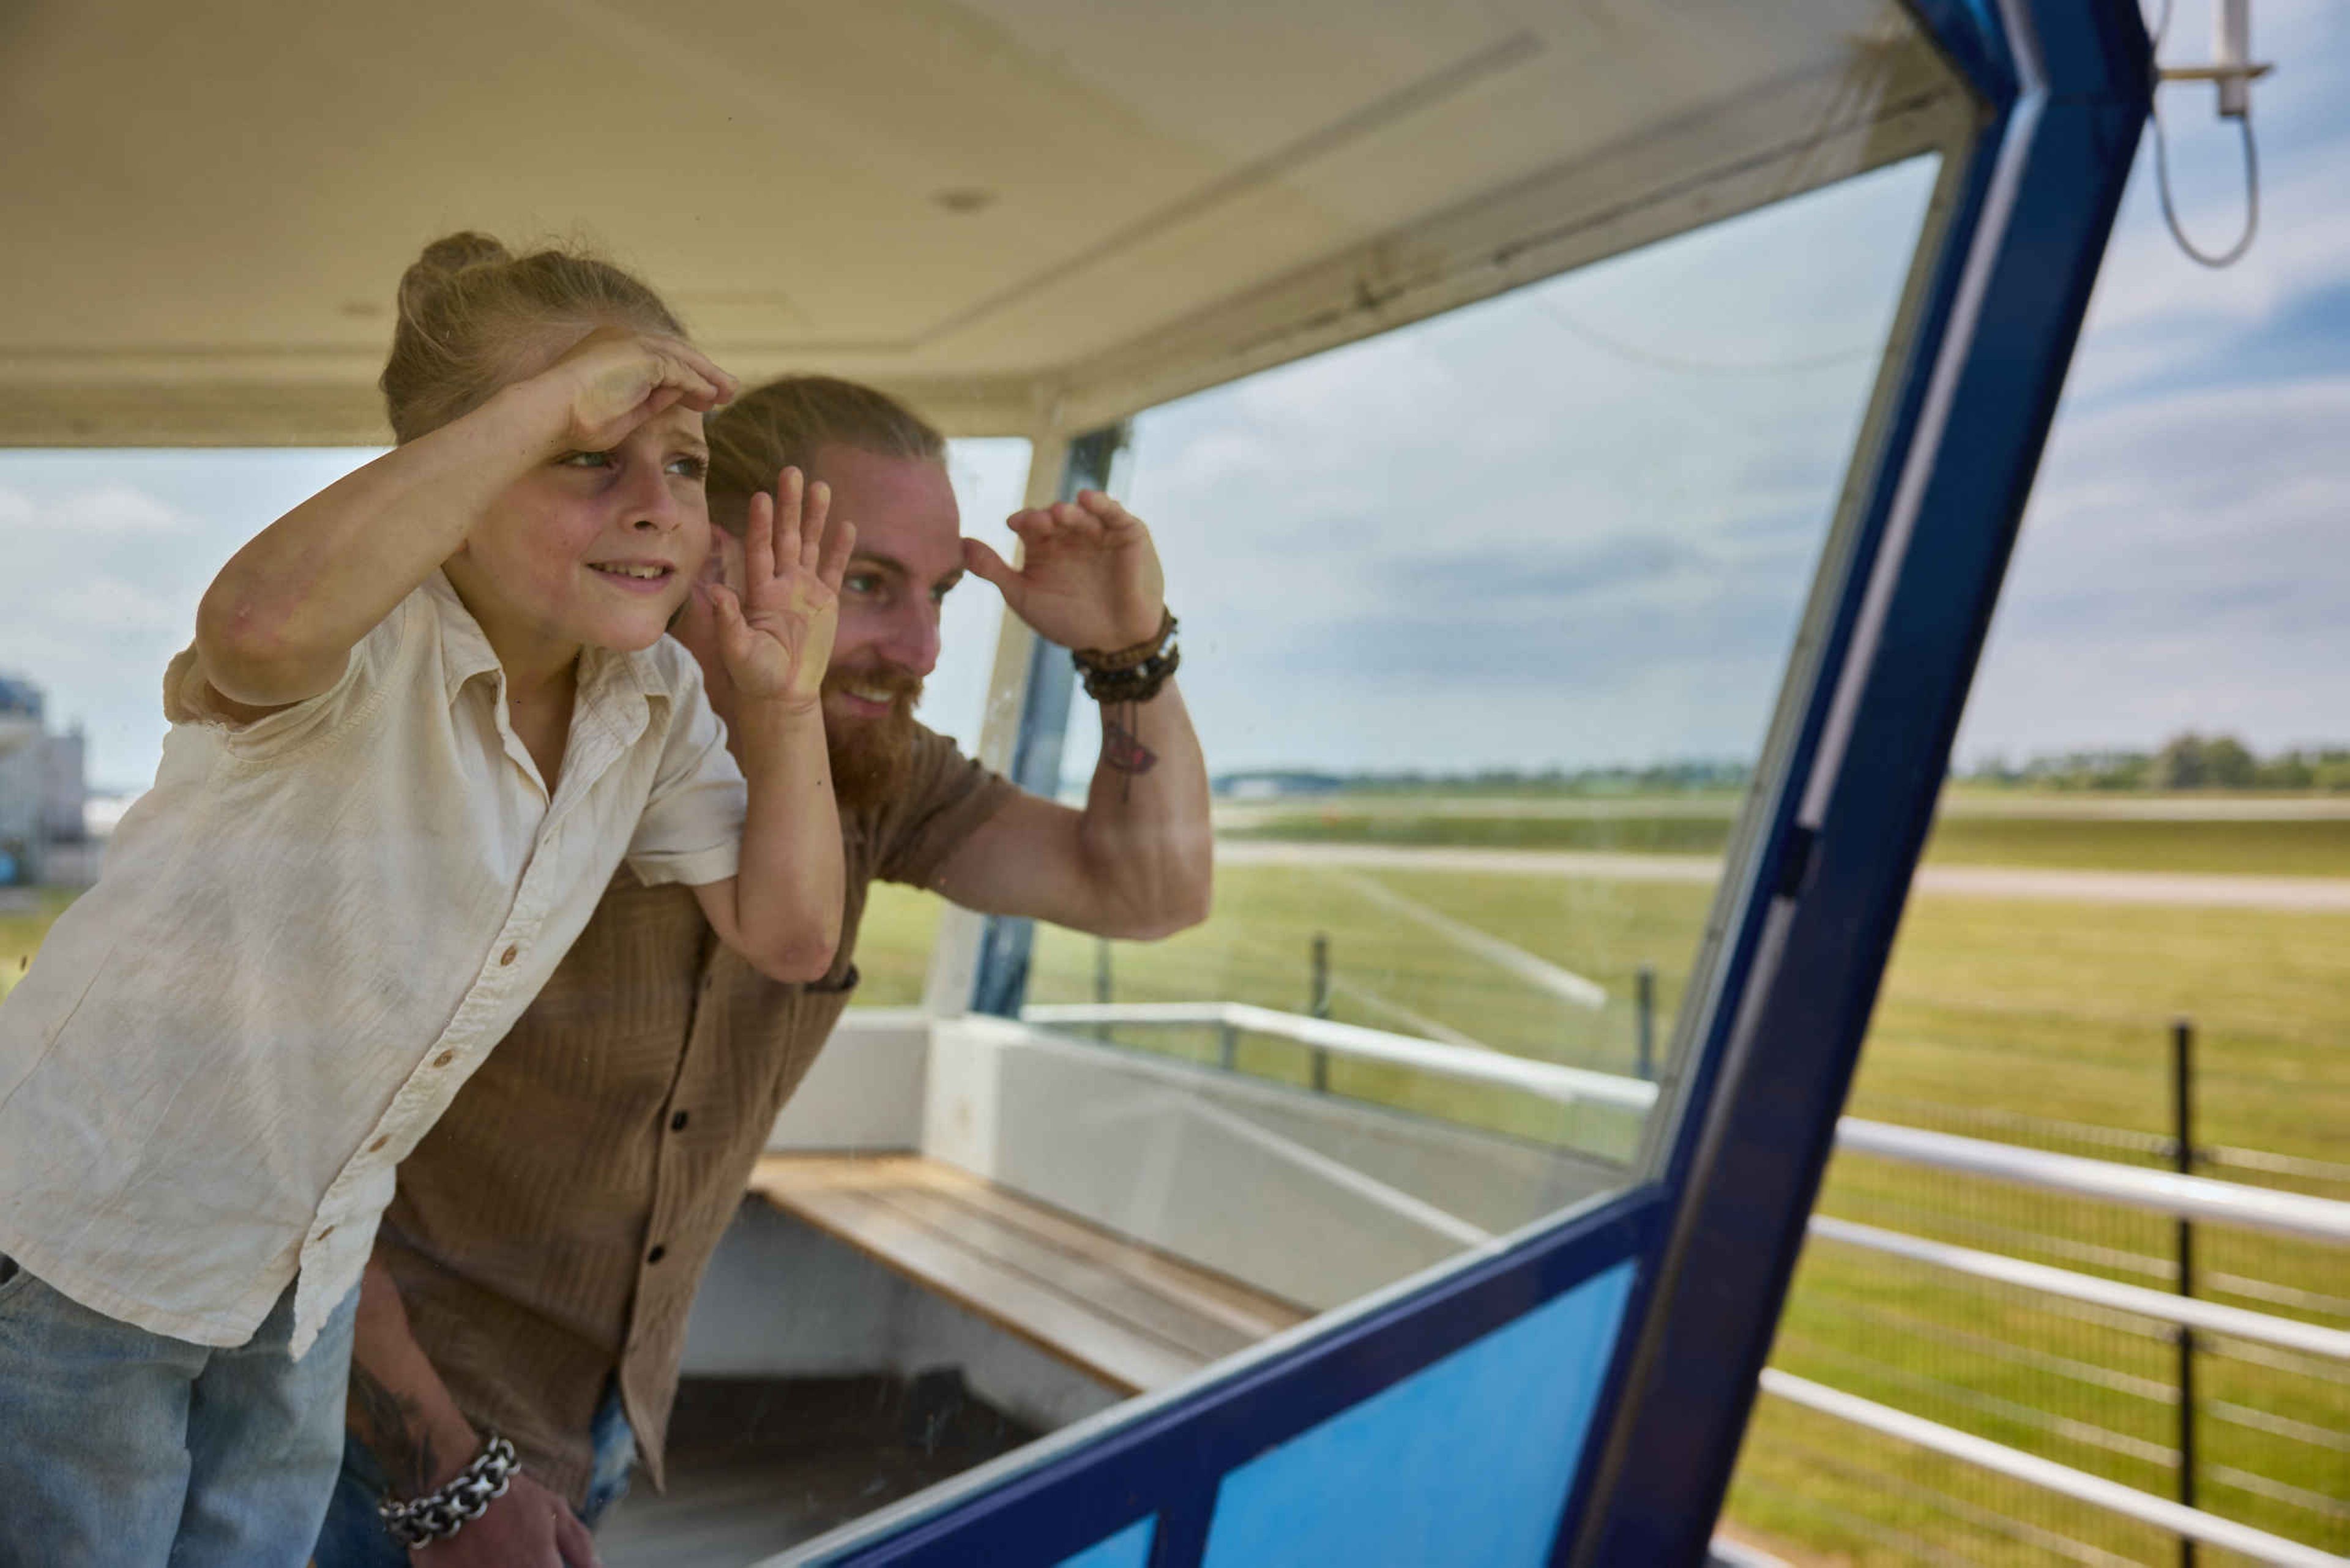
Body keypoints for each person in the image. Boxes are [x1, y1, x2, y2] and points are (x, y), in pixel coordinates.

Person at [0, 234, 851, 1567]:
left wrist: (787, 708)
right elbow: (254, 631)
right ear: (452, 472)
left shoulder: (654, 702)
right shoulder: (356, 636)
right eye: (587, 453)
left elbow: (789, 934)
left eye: (683, 464)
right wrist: (535, 407)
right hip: (79, 1247)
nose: (655, 504)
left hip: (305, 1280)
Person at [314, 376, 1212, 1567]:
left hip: (595, 1436)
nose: (922, 649)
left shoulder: (879, 777)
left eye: (939, 595)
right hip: (363, 1444)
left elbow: (1146, 890)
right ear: (708, 553)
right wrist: (447, 1481)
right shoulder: (510, 754)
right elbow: (293, 1172)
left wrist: (1129, 654)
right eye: (867, 583)